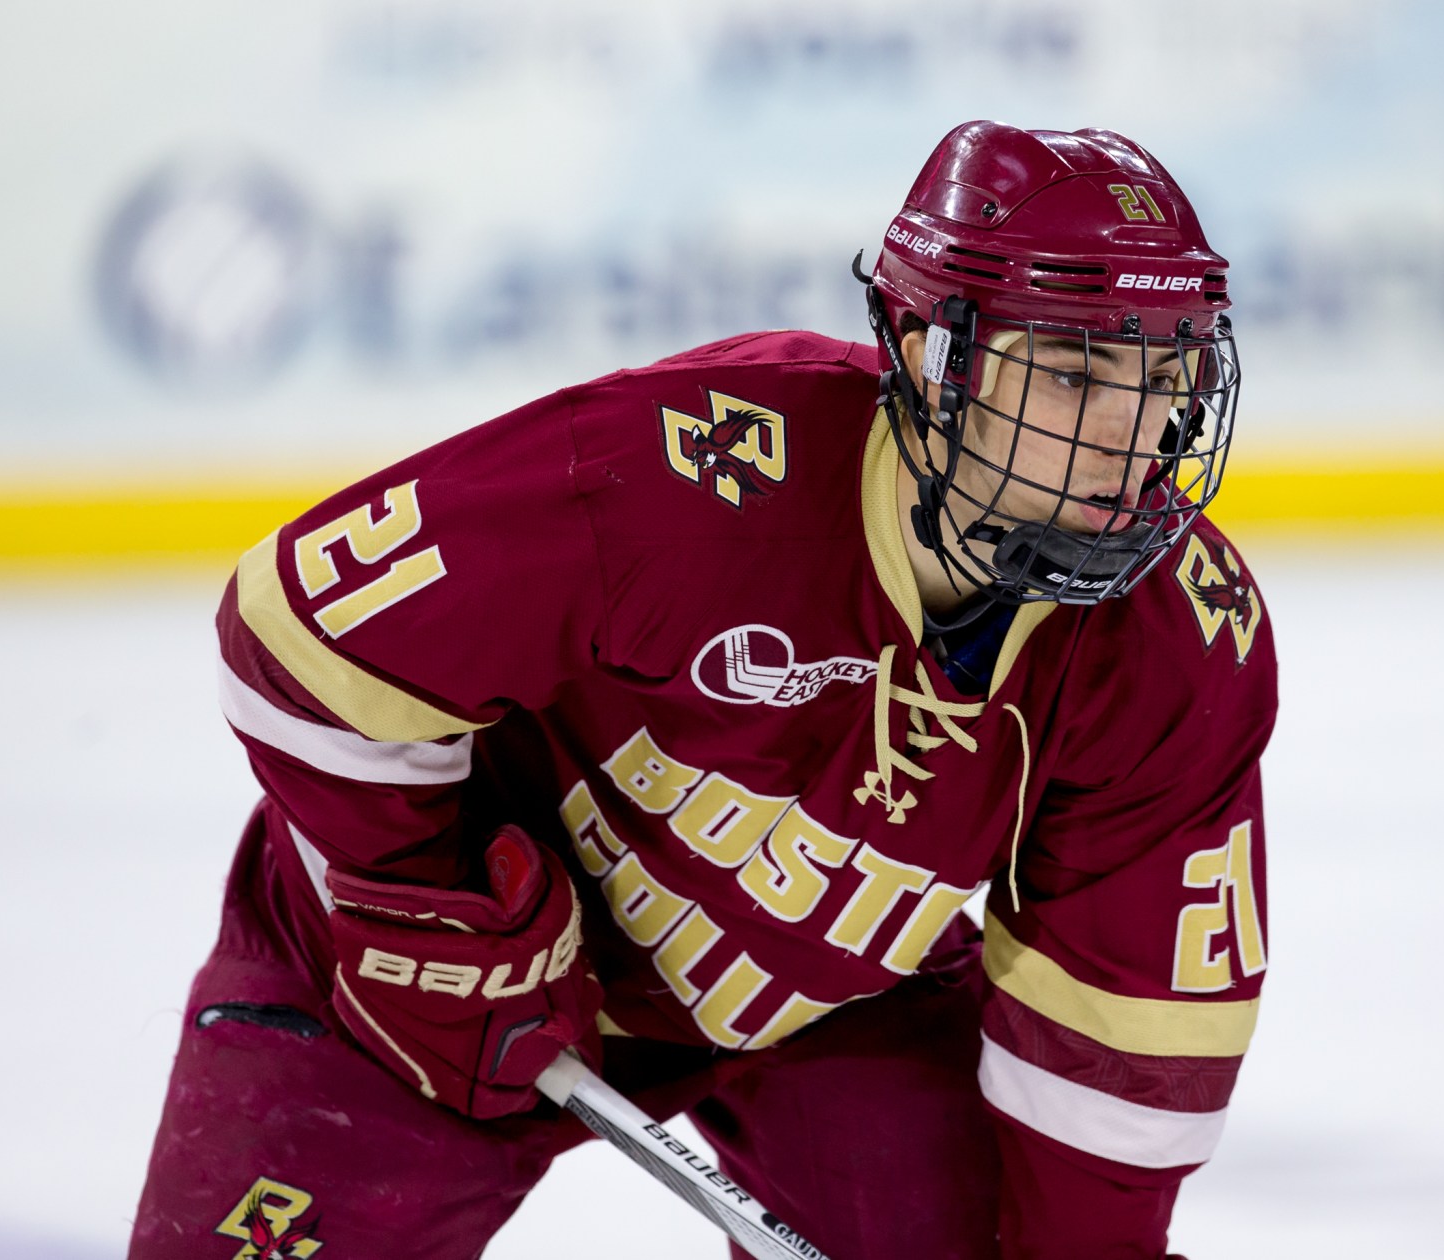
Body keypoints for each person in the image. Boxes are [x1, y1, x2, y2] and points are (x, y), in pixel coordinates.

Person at [130, 119, 1274, 1260]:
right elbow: (304, 626)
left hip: (825, 1002)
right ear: (936, 356)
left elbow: (1124, 1035)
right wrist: (412, 903)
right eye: (1075, 371)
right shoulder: (691, 475)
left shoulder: (1178, 643)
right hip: (411, 988)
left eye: (1164, 376)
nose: (1132, 439)